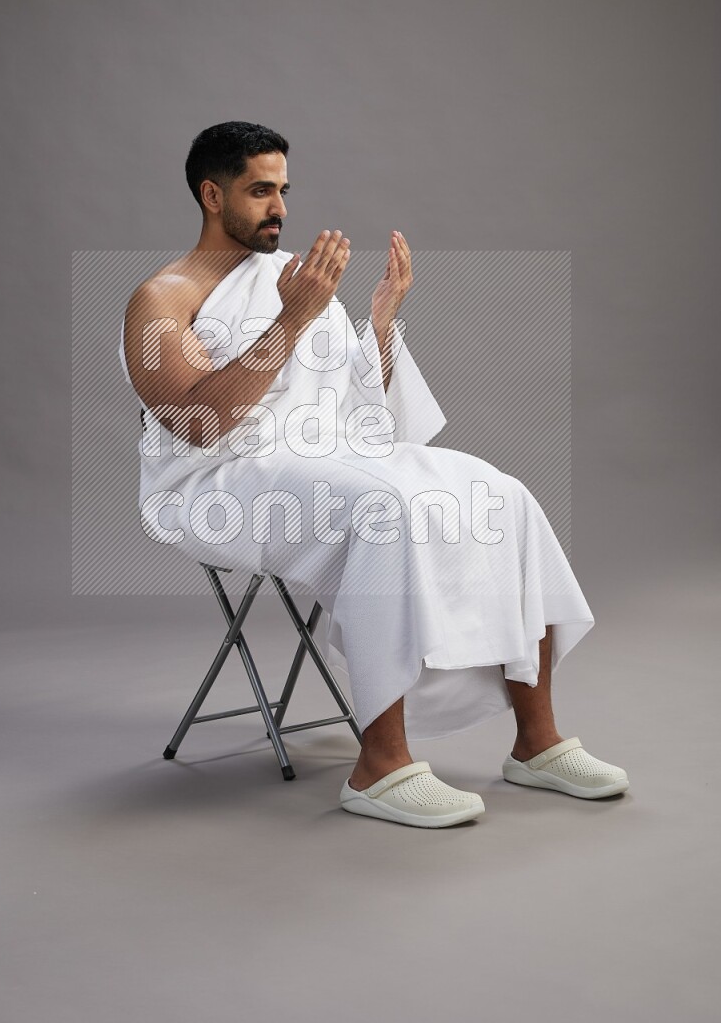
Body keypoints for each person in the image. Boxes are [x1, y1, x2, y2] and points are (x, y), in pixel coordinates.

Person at [119, 120, 629, 828]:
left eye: (284, 190)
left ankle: (535, 743)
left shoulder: (295, 280)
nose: (281, 208)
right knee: (383, 508)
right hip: (220, 482)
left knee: (502, 495)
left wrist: (380, 327)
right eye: (260, 191)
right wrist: (291, 321)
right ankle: (379, 766)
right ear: (212, 194)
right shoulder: (162, 299)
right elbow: (198, 423)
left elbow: (355, 413)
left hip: (323, 455)